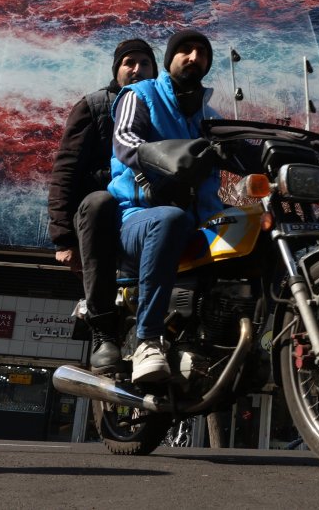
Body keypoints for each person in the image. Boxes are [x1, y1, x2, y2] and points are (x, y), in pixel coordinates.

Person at [109, 29, 225, 384]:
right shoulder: (140, 94)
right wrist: (164, 157)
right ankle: (147, 340)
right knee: (170, 219)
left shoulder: (209, 116)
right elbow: (125, 139)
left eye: (202, 53)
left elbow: (240, 150)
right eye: (185, 50)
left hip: (199, 225)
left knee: (255, 227)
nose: (194, 57)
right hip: (138, 218)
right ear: (169, 59)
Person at [48, 39, 158, 372]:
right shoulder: (95, 106)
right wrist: (63, 238)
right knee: (101, 201)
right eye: (129, 62)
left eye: (145, 63)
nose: (137, 69)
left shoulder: (164, 109)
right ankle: (103, 331)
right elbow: (66, 170)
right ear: (117, 69)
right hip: (102, 215)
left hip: (146, 211)